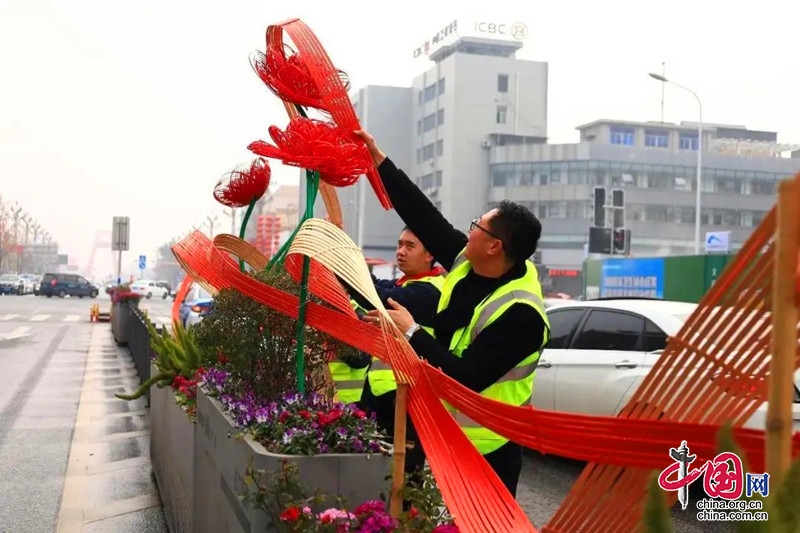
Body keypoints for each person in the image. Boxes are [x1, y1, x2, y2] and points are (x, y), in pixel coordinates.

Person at [355, 129, 550, 498]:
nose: (469, 229)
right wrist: (377, 161)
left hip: (489, 446)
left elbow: (469, 375)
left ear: (495, 246)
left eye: (478, 226)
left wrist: (412, 333)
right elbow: (423, 214)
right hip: (444, 431)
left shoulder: (521, 312)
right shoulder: (469, 261)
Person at [341, 227, 445, 479]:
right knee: (373, 471)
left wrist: (343, 260)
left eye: (410, 246)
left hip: (410, 397)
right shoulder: (405, 284)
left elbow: (374, 295)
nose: (400, 251)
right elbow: (374, 286)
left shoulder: (431, 291)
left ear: (430, 253)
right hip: (382, 393)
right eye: (399, 244)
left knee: (403, 478)